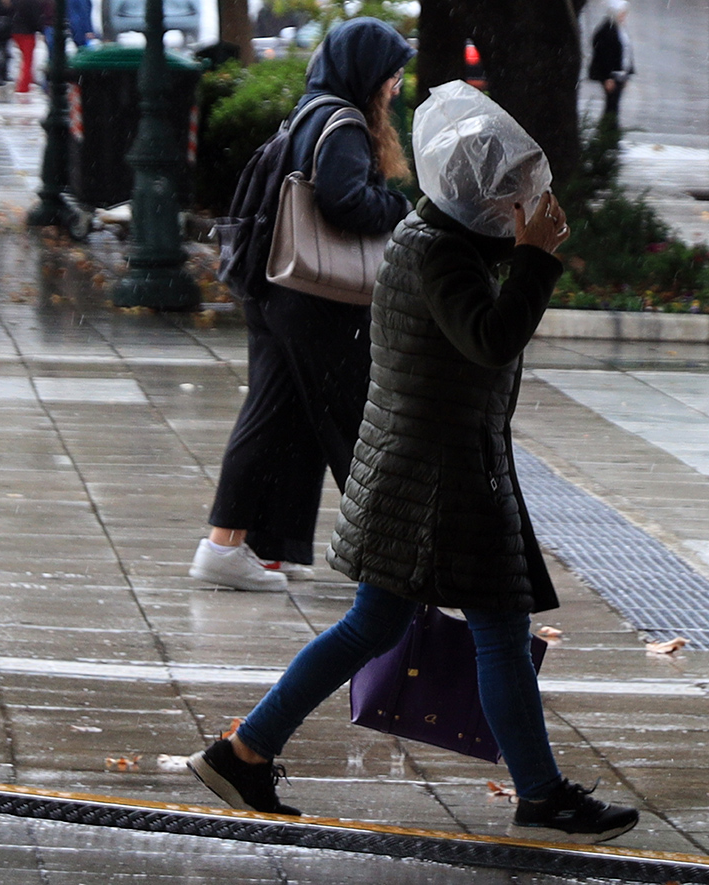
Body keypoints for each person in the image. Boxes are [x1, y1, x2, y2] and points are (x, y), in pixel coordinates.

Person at [187, 79, 641, 845]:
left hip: (424, 470)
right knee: (493, 627)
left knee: (377, 622)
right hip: (441, 481)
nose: (519, 208)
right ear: (481, 199)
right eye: (510, 198)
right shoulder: (441, 256)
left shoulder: (433, 240)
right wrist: (534, 259)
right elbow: (491, 338)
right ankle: (540, 792)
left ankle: (245, 749)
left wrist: (522, 249)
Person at [187, 18, 415, 592]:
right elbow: (343, 203)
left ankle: (264, 548)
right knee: (354, 421)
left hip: (277, 287)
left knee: (285, 418)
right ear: (366, 72)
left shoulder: (312, 110)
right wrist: (396, 206)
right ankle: (388, 563)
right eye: (391, 73)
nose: (396, 85)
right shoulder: (342, 124)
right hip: (315, 297)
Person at [587, 0, 634, 125]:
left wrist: (627, 73)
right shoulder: (606, 30)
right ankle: (607, 132)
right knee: (611, 106)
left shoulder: (620, 29)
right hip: (611, 76)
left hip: (619, 75)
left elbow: (626, 52)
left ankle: (610, 132)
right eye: (622, 13)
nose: (624, 16)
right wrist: (607, 77)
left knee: (614, 106)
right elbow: (603, 55)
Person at [10, 0, 46, 95]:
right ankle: (24, 86)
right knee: (28, 60)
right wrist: (40, 29)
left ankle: (25, 82)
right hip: (27, 33)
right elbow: (35, 18)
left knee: (24, 59)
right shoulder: (32, 2)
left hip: (16, 31)